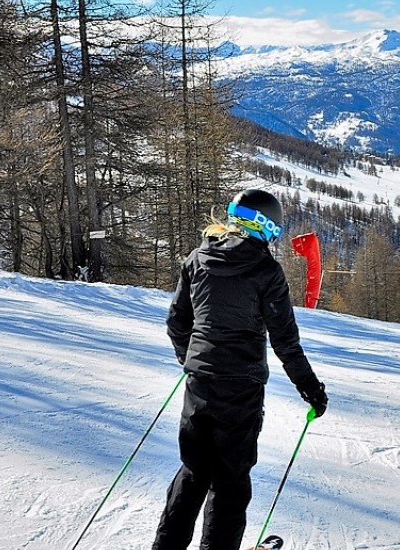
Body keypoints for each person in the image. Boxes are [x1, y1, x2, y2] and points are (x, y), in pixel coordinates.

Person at [153, 189, 328, 550]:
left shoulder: (198, 258)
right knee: (230, 479)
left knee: (194, 469)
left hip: (199, 383)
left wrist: (193, 359)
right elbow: (285, 341)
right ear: (267, 228)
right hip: (241, 388)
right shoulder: (266, 270)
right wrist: (311, 388)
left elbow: (177, 323)